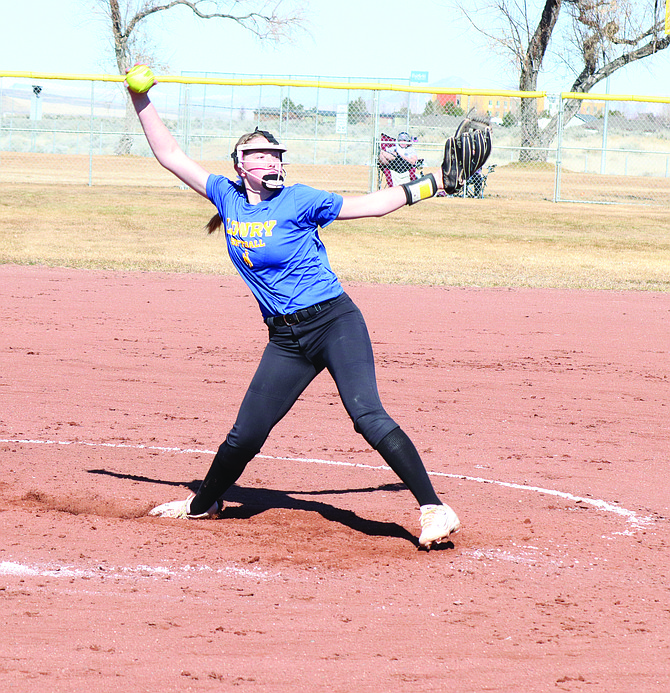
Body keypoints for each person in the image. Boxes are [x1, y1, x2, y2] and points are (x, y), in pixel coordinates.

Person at [128, 79, 461, 550]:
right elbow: (170, 155)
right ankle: (205, 502)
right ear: (240, 166)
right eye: (260, 154)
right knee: (246, 435)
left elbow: (374, 205)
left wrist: (437, 183)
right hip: (285, 341)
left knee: (366, 414)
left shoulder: (300, 199)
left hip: (334, 322)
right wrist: (139, 97)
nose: (271, 160)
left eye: (276, 154)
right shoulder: (226, 197)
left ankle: (434, 508)